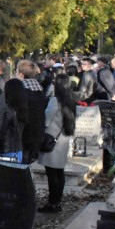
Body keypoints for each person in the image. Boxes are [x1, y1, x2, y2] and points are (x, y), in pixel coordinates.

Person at [37, 74, 76, 213]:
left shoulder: (55, 100)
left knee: (52, 174)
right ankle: (57, 201)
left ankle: (52, 203)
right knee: (59, 173)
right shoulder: (70, 100)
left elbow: (46, 118)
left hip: (52, 139)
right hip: (63, 140)